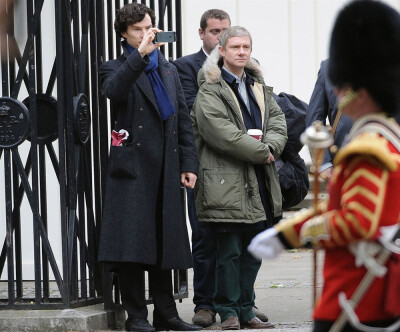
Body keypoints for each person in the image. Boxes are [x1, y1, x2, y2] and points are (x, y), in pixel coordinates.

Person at [249, 1, 400, 331]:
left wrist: (291, 234)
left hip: (355, 298)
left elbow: (357, 220)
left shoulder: (367, 148)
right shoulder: (389, 137)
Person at [97, 3, 201, 332]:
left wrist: (188, 163)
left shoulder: (168, 70)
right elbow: (113, 91)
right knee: (132, 247)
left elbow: (182, 118)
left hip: (166, 167)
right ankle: (137, 317)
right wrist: (139, 56)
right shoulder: (114, 66)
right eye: (138, 30)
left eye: (149, 27)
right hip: (133, 169)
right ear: (124, 35)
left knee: (164, 243)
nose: (146, 34)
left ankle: (167, 314)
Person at [191, 26, 287, 330]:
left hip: (258, 177)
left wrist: (270, 147)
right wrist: (262, 151)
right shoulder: (210, 89)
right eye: (235, 47)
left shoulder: (258, 85)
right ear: (222, 51)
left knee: (253, 250)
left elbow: (278, 121)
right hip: (225, 181)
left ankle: (247, 310)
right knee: (228, 251)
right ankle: (228, 311)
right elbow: (222, 134)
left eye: (246, 46)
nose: (241, 52)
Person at [307, 59, 353, 180]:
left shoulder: (386, 64)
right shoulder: (327, 68)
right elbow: (315, 119)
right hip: (341, 163)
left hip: (383, 159)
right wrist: (324, 164)